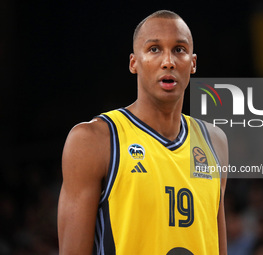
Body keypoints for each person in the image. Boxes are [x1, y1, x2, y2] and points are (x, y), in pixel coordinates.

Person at [58, 10, 228, 255]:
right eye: (154, 49)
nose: (168, 61)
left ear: (192, 63)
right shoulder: (94, 140)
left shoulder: (215, 142)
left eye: (179, 49)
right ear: (133, 63)